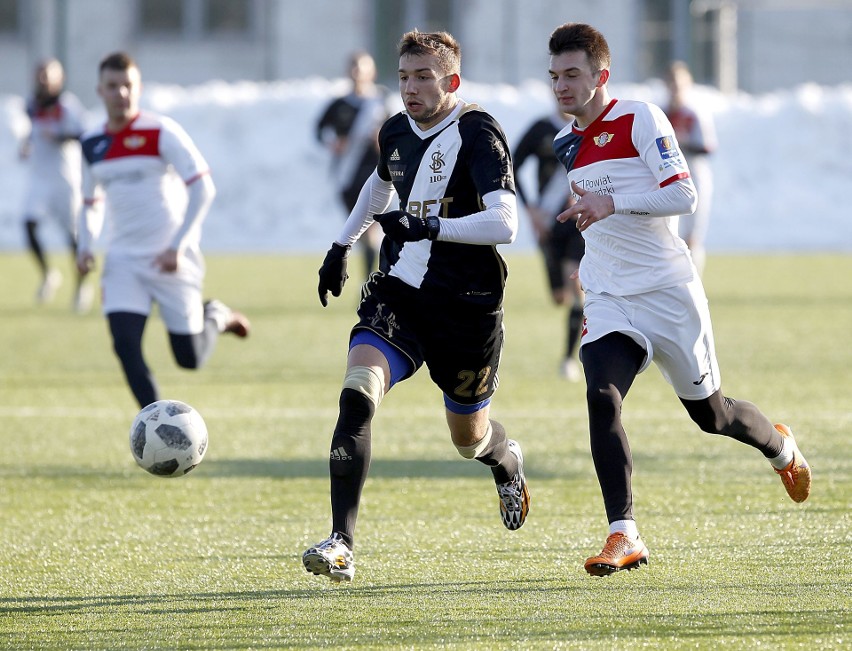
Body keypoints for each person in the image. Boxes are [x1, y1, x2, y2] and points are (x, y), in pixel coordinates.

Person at [547, 23, 810, 577]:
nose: (561, 86)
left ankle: (780, 448)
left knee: (713, 416)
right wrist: (580, 245)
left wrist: (611, 204)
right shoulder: (564, 141)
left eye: (572, 74)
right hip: (610, 293)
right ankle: (624, 532)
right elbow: (593, 210)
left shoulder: (640, 116)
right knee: (601, 393)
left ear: (601, 75)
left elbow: (682, 193)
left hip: (668, 292)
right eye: (555, 75)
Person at [303, 30, 530, 583]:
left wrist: (432, 225)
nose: (410, 87)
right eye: (404, 76)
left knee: (467, 439)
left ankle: (504, 459)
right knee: (358, 392)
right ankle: (341, 542)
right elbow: (379, 186)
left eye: (423, 77)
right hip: (400, 290)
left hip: (468, 306)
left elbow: (506, 223)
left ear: (451, 81)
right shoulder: (394, 131)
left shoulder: (479, 132)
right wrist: (342, 243)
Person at [76, 52, 250, 409]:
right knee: (125, 345)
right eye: (113, 86)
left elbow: (203, 187)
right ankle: (154, 422)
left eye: (128, 86)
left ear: (138, 89)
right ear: (100, 90)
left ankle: (215, 314)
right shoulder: (91, 143)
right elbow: (90, 202)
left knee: (189, 358)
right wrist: (85, 245)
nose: (121, 94)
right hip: (124, 261)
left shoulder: (160, 131)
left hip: (171, 257)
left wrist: (177, 245)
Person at [513, 103, 584, 381]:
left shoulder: (589, 128)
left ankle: (569, 359)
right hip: (547, 223)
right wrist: (530, 209)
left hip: (578, 220)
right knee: (559, 297)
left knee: (575, 287)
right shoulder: (542, 129)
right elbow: (512, 165)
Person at [18, 58, 93, 312]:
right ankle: (49, 274)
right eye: (39, 75)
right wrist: (27, 144)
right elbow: (33, 129)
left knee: (73, 238)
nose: (42, 80)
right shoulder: (31, 104)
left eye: (47, 76)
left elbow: (84, 133)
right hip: (39, 178)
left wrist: (60, 136)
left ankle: (81, 286)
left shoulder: (67, 105)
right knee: (29, 224)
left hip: (64, 179)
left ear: (58, 79)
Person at [315, 51, 389, 280]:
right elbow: (319, 130)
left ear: (372, 71)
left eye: (363, 67)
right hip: (346, 176)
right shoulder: (339, 104)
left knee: (370, 228)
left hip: (372, 173)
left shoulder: (380, 102)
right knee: (360, 232)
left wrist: (382, 139)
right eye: (354, 67)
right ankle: (371, 278)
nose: (358, 72)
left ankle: (371, 280)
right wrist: (333, 143)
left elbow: (396, 133)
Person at [664, 61, 717, 275]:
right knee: (669, 235)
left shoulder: (694, 113)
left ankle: (694, 281)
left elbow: (708, 147)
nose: (675, 89)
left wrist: (681, 142)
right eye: (671, 83)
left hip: (694, 175)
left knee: (693, 235)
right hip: (667, 178)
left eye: (679, 84)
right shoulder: (660, 113)